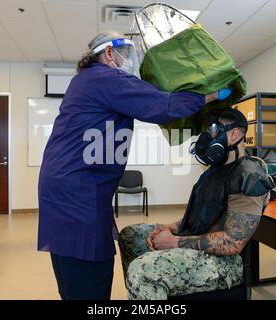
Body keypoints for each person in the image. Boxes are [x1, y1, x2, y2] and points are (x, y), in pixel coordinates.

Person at [37, 31, 228, 300]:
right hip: (78, 191)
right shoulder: (105, 77)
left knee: (75, 262)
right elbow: (162, 105)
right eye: (126, 53)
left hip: (74, 187)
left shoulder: (88, 80)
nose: (130, 60)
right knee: (88, 269)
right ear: (109, 53)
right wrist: (208, 96)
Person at [118, 108, 274, 300]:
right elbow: (201, 216)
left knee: (143, 271)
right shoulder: (212, 172)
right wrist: (170, 227)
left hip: (223, 263)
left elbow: (233, 243)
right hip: (195, 243)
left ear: (234, 134)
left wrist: (173, 242)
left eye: (214, 130)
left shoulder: (249, 177)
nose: (207, 136)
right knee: (130, 236)